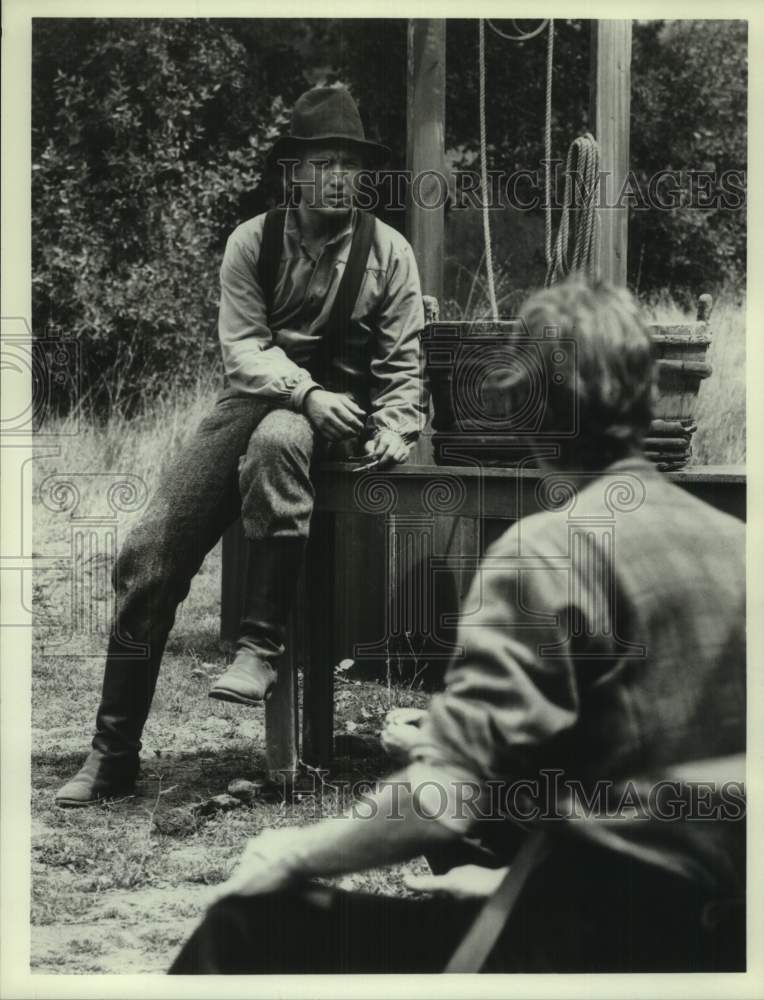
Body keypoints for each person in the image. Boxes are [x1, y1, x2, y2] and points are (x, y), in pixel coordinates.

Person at [168, 278, 745, 974]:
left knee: (245, 929)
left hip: (591, 951)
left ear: (522, 409)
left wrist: (288, 851)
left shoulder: (548, 552)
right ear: (648, 397)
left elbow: (444, 800)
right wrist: (512, 883)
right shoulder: (740, 546)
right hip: (721, 945)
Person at [55, 87, 428, 807]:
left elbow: (402, 364)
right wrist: (304, 391)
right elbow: (244, 351)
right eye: (322, 163)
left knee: (281, 441)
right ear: (294, 172)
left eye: (349, 164)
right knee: (148, 553)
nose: (338, 178)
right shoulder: (251, 242)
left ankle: (259, 647)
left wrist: (395, 425)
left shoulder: (390, 253)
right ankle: (113, 752)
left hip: (336, 422)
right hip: (255, 403)